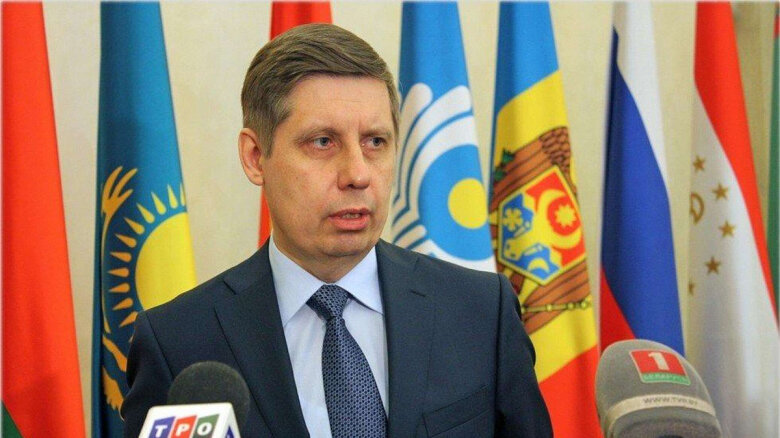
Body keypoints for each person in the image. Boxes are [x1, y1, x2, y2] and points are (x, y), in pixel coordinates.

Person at [121, 23, 552, 438]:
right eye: (323, 142)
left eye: (375, 142)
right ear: (255, 157)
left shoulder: (481, 312)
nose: (358, 174)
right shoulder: (178, 342)